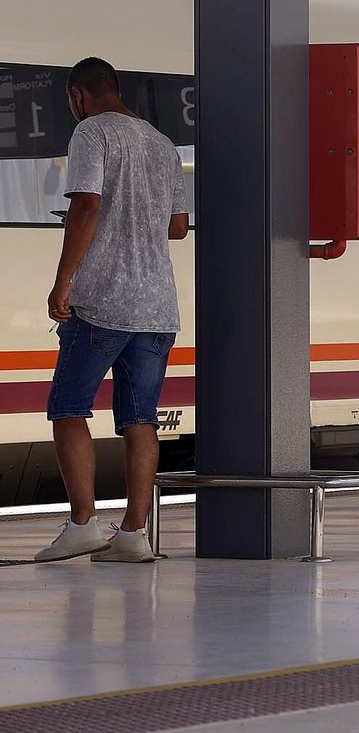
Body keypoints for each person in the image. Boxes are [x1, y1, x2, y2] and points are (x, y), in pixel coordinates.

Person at [35, 58, 187, 564]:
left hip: (101, 300)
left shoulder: (91, 134)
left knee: (68, 408)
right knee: (140, 419)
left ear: (78, 95)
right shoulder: (162, 145)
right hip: (157, 305)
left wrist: (63, 282)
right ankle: (132, 534)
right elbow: (178, 227)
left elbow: (86, 206)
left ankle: (82, 523)